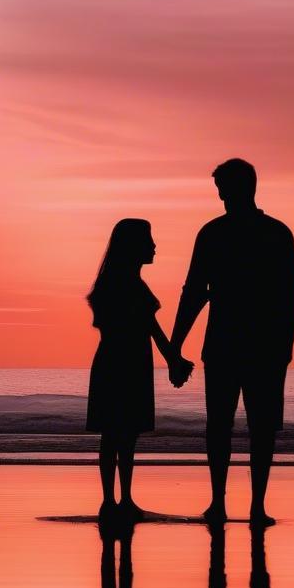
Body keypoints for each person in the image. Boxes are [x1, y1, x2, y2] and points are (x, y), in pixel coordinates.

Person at [170, 159, 294, 526]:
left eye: (223, 188)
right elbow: (194, 292)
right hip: (243, 346)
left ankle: (245, 504)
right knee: (236, 426)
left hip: (249, 345)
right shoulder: (258, 233)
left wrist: (175, 345)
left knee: (244, 427)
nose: (221, 195)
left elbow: (291, 300)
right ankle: (232, 504)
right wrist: (175, 344)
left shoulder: (257, 234)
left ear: (239, 188)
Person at [86, 218, 193, 520]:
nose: (155, 246)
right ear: (134, 247)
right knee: (122, 434)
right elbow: (153, 330)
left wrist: (174, 359)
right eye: (149, 240)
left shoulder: (113, 282)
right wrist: (174, 360)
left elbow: (151, 329)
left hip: (114, 361)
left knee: (116, 434)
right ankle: (117, 500)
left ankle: (115, 500)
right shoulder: (129, 285)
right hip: (128, 363)